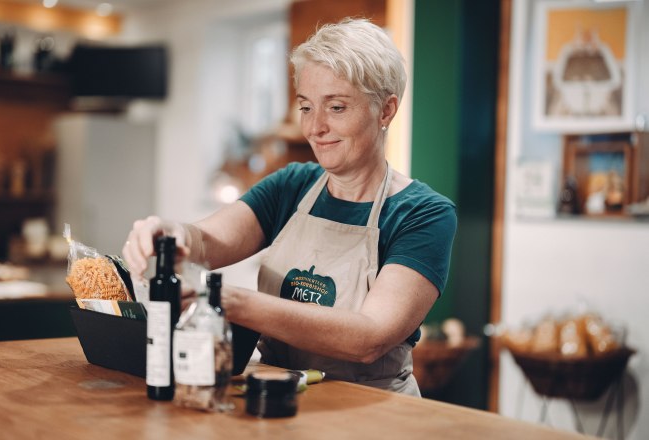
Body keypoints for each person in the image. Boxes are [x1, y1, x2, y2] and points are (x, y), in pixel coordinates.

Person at [123, 18, 456, 396]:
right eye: (306, 107)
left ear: (385, 111)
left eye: (336, 107)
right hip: (276, 396)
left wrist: (231, 302)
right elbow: (204, 242)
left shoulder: (423, 214)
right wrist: (171, 233)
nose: (315, 127)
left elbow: (369, 338)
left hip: (371, 408)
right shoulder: (292, 185)